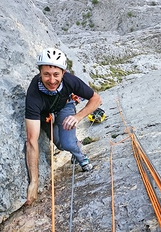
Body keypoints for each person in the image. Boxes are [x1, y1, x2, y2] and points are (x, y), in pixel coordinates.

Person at [24, 48, 102, 206]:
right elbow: (32, 141)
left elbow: (96, 99)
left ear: (63, 73)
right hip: (46, 114)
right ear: (40, 73)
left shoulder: (70, 81)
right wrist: (34, 182)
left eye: (56, 75)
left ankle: (82, 159)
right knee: (59, 142)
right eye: (46, 74)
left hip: (65, 108)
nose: (52, 80)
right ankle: (76, 144)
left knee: (67, 143)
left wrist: (77, 117)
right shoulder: (33, 94)